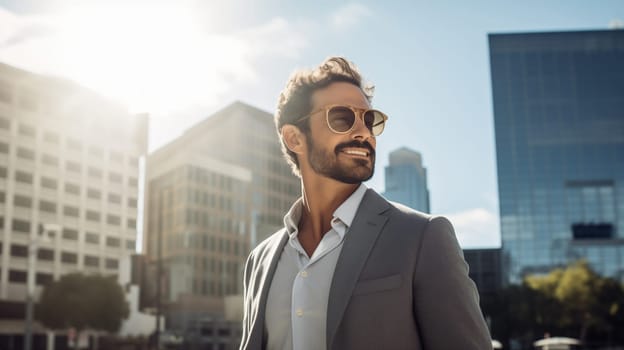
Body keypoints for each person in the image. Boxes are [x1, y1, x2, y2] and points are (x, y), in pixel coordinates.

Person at [239, 57, 492, 350]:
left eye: (369, 120)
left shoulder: (423, 237)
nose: (363, 132)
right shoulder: (260, 261)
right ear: (295, 138)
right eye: (342, 118)